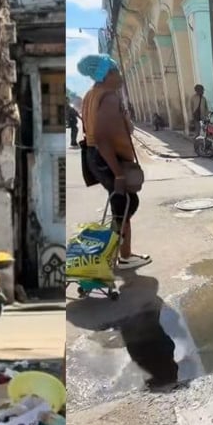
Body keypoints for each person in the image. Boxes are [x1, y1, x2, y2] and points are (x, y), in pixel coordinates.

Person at [78, 53, 151, 270]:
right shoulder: (108, 97)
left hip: (95, 156)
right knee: (126, 203)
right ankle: (114, 257)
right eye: (116, 71)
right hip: (106, 157)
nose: (120, 76)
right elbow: (102, 138)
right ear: (105, 74)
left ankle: (120, 255)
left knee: (122, 203)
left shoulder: (91, 95)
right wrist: (118, 173)